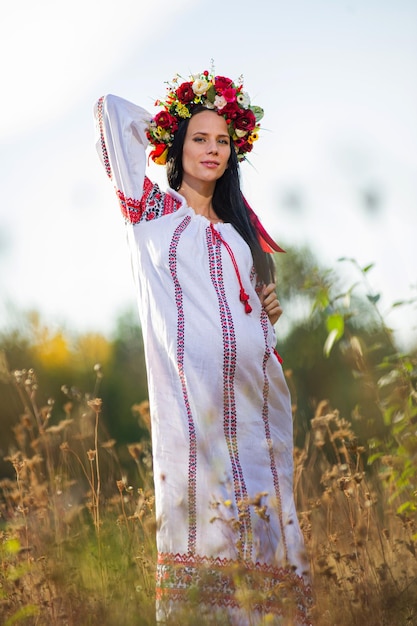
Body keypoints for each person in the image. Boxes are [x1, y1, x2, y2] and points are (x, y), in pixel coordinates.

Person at [94, 69, 312, 625]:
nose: (212, 150)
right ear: (177, 145)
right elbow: (112, 115)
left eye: (222, 141)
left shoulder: (239, 232)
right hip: (195, 413)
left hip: (255, 413)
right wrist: (174, 119)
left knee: (267, 529)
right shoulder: (154, 213)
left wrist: (267, 313)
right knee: (206, 523)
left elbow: (244, 312)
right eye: (199, 138)